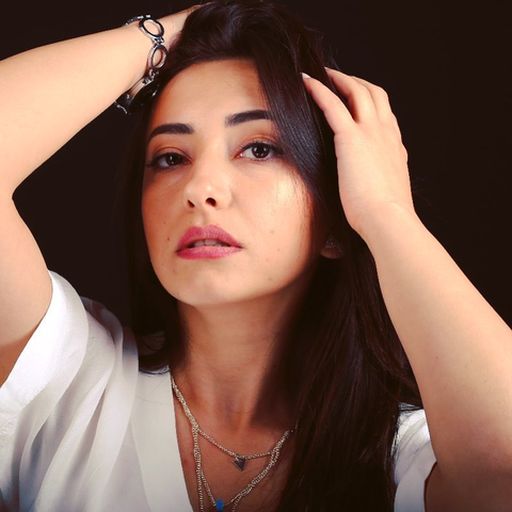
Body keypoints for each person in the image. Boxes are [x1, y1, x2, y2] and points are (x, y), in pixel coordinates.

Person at [0, 1, 511, 511]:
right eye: (171, 158)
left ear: (335, 220)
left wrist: (387, 212)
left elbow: (501, 469)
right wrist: (168, 33)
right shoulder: (68, 381)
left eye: (259, 149)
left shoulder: (398, 454)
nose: (200, 188)